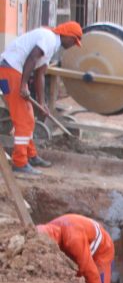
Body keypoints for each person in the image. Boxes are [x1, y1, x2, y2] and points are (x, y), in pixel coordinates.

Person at [0, 22, 83, 175]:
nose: (73, 45)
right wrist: (23, 85)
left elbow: (40, 75)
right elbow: (31, 59)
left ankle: (31, 156)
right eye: (74, 41)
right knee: (23, 119)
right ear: (67, 36)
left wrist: (42, 103)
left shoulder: (52, 45)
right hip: (9, 71)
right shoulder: (49, 38)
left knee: (29, 118)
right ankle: (19, 162)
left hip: (13, 71)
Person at [37, 213, 114, 283]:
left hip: (103, 250)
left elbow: (91, 272)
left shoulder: (73, 239)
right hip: (79, 237)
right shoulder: (47, 230)